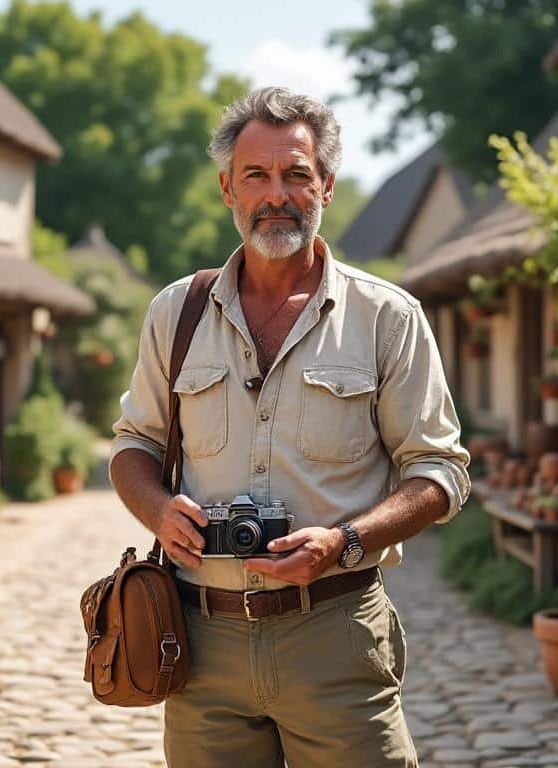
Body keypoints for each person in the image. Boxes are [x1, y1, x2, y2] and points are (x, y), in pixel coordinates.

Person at [109, 85, 469, 767]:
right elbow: (134, 446)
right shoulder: (175, 313)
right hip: (198, 642)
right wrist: (158, 510)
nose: (278, 193)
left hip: (335, 634)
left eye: (296, 174)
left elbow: (441, 472)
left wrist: (344, 540)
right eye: (257, 176)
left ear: (326, 186)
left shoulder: (386, 318)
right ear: (228, 190)